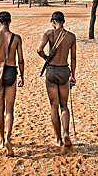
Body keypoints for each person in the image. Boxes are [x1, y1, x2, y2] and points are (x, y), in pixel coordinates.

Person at [0, 11, 25, 156]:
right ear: (10, 21)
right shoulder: (16, 38)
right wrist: (22, 75)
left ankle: (2, 138)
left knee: (0, 108)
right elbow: (20, 59)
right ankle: (8, 138)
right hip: (11, 71)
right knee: (10, 109)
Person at [37, 11, 76, 147]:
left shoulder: (49, 33)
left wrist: (46, 58)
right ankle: (66, 133)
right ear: (63, 21)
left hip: (52, 70)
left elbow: (39, 49)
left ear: (53, 21)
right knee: (64, 105)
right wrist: (73, 75)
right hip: (64, 70)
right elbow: (73, 58)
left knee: (54, 105)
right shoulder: (71, 36)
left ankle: (58, 139)